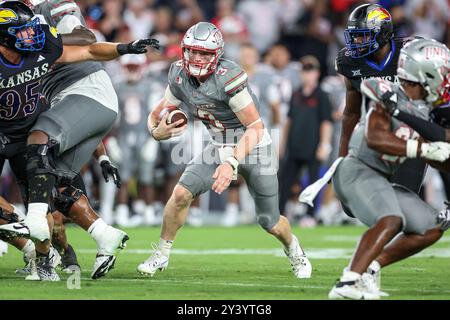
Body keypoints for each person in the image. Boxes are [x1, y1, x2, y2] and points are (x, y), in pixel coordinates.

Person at [137, 22, 312, 279]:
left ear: (216, 55)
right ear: (184, 49)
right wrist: (155, 132)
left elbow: (255, 126)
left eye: (205, 53)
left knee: (269, 221)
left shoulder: (228, 77)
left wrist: (230, 162)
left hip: (254, 147)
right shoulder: (178, 74)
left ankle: (294, 249)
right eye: (193, 51)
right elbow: (156, 114)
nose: (197, 58)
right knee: (181, 193)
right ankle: (161, 254)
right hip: (219, 144)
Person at [0, 0, 159, 280]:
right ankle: (28, 234)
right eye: (22, 30)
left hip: (33, 131)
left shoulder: (41, 45)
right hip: (7, 133)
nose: (31, 34)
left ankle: (55, 258)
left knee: (51, 191)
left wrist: (123, 47)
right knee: (45, 191)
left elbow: (87, 48)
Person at [328, 38, 450, 300]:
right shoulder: (385, 91)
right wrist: (422, 150)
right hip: (359, 170)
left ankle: (370, 269)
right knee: (391, 219)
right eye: (443, 72)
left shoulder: (432, 108)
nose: (446, 78)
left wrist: (435, 152)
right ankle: (348, 283)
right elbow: (375, 137)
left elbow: (442, 151)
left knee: (433, 226)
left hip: (384, 178)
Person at [336, 3, 426, 195]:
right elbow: (351, 113)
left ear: (382, 33)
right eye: (355, 36)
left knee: (402, 198)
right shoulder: (350, 62)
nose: (357, 41)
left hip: (413, 135)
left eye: (363, 35)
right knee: (355, 201)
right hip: (377, 137)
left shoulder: (411, 53)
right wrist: (341, 158)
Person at [278, 55, 332, 225]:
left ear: (317, 73)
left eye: (311, 70)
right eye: (305, 70)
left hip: (313, 146)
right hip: (294, 146)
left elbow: (326, 122)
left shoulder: (322, 95)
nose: (307, 74)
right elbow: (289, 121)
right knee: (285, 182)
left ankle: (310, 215)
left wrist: (324, 144)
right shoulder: (296, 94)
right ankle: (279, 215)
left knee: (313, 183)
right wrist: (281, 144)